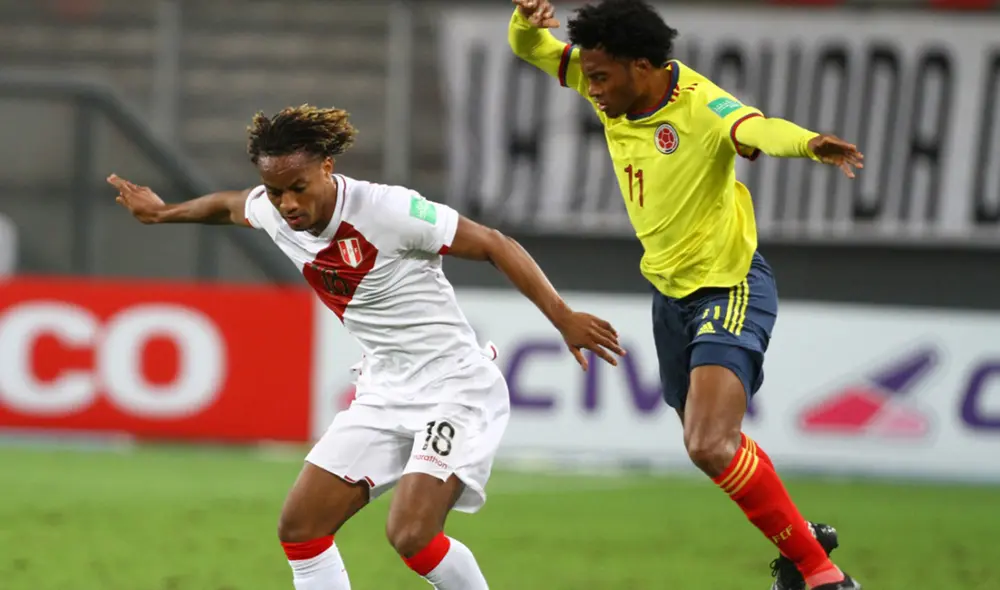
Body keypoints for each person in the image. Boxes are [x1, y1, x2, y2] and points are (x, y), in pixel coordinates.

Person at [108, 104, 625, 590]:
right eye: (275, 189)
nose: (286, 203)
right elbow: (225, 206)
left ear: (328, 167)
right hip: (384, 390)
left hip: (455, 389)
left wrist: (562, 316)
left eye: (297, 187)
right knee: (300, 528)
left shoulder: (388, 210)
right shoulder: (271, 208)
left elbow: (493, 243)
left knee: (411, 534)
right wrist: (162, 213)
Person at [508, 1, 865, 589]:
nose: (589, 88)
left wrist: (808, 145)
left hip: (730, 285)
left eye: (600, 77)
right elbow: (532, 47)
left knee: (707, 443)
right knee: (712, 444)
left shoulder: (702, 106)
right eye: (588, 76)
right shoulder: (605, 81)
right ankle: (805, 542)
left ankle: (823, 575)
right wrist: (527, 19)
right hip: (670, 297)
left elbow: (758, 128)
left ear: (642, 67)